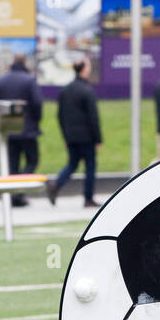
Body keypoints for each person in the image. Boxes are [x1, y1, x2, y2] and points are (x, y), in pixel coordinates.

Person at [47, 58, 102, 208]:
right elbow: (93, 117)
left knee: (72, 164)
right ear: (84, 70)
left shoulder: (65, 90)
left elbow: (60, 115)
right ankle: (88, 198)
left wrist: (65, 136)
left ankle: (56, 184)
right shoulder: (87, 90)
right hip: (87, 137)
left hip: (71, 136)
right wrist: (98, 139)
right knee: (90, 166)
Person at [0, 54, 44, 207]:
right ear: (25, 62)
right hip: (27, 130)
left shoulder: (2, 80)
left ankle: (15, 195)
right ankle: (19, 190)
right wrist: (36, 119)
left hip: (9, 130)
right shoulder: (30, 80)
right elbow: (37, 102)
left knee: (12, 165)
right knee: (32, 160)